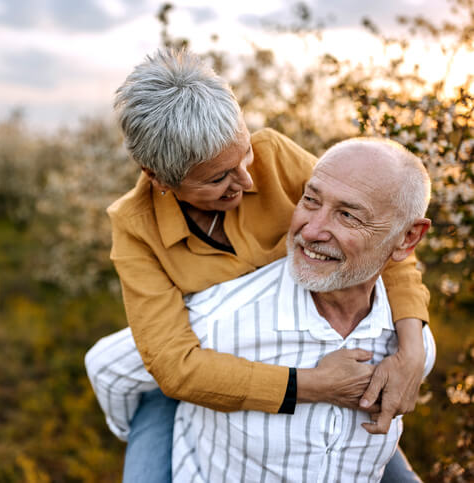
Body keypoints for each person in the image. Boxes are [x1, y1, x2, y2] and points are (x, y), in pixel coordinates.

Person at [97, 48, 430, 482]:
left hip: (304, 350)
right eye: (219, 178)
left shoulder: (273, 154)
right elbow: (175, 367)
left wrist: (412, 349)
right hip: (202, 376)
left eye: (243, 155)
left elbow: (382, 240)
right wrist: (313, 385)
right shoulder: (135, 226)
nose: (249, 181)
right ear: (160, 178)